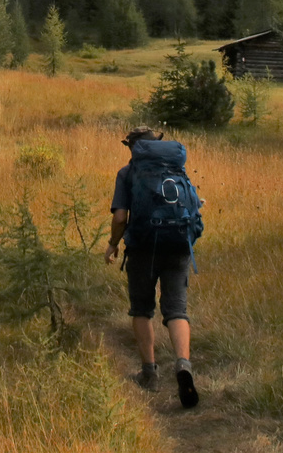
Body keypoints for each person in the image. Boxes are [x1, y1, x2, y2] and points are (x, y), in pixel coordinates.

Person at [105, 125, 200, 408]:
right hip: (179, 246)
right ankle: (183, 364)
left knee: (142, 309)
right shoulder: (177, 170)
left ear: (132, 147)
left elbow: (121, 217)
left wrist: (112, 244)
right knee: (176, 310)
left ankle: (150, 374)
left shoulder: (127, 173)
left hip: (144, 248)